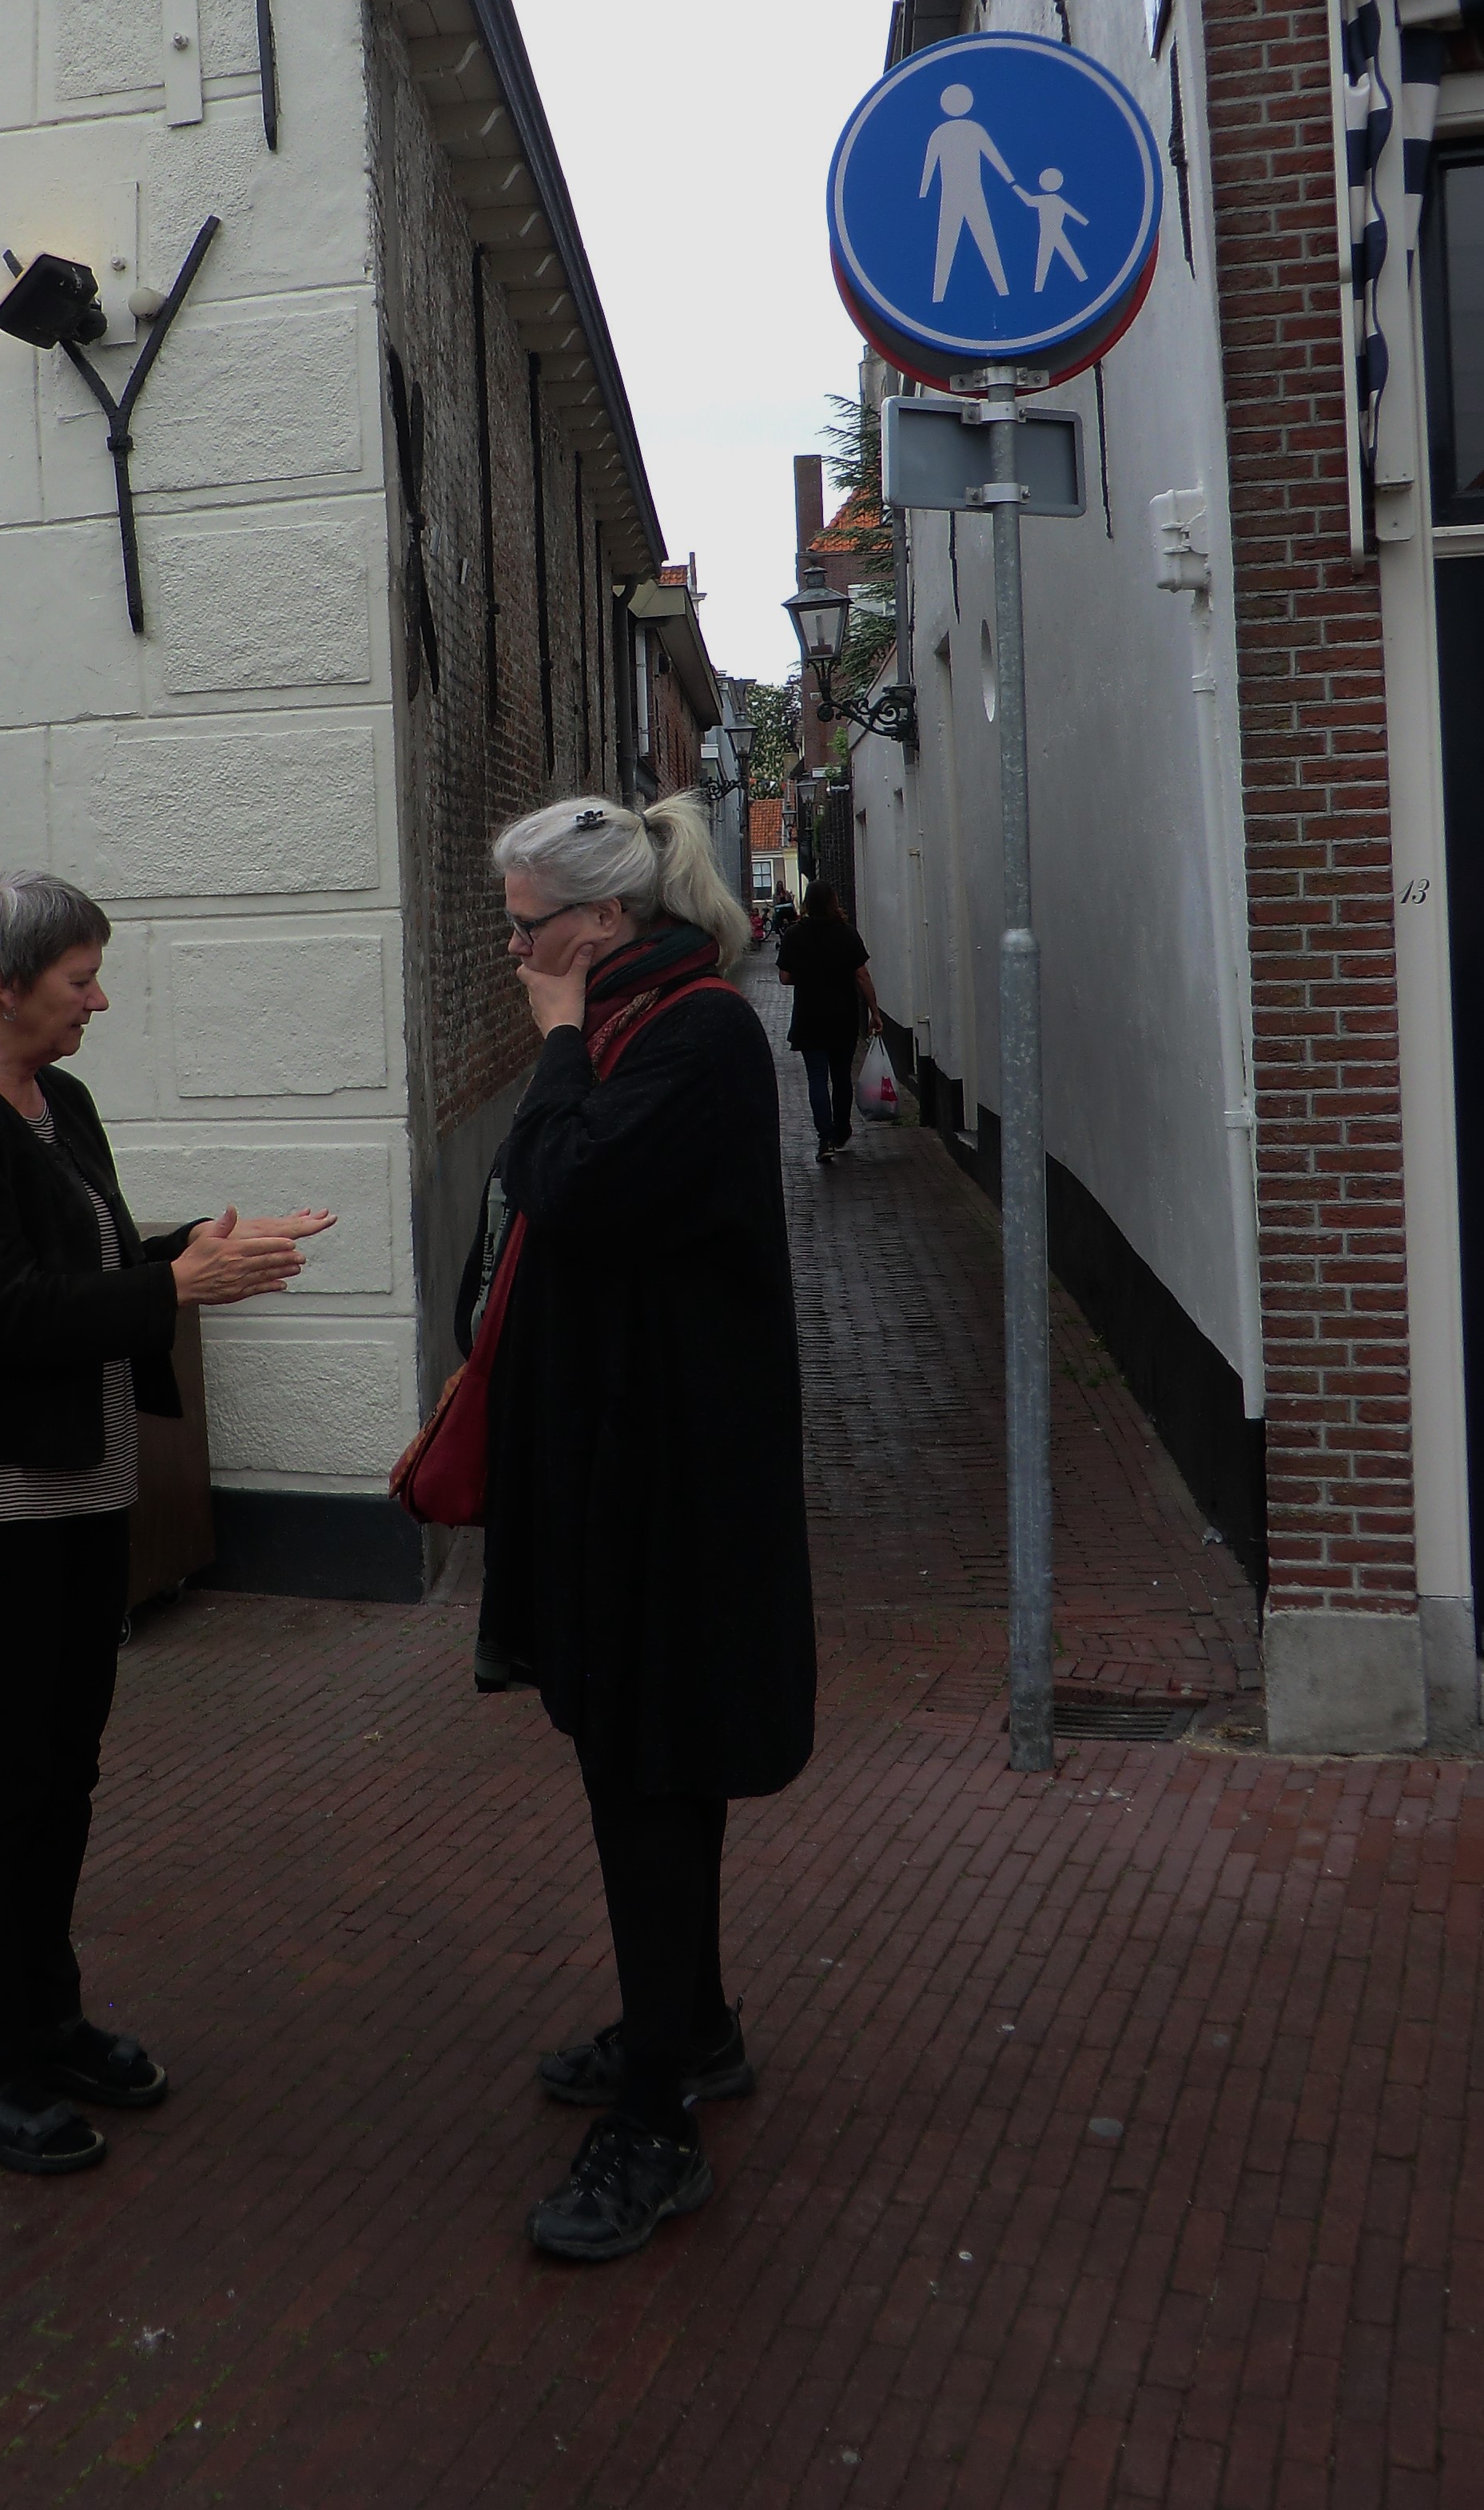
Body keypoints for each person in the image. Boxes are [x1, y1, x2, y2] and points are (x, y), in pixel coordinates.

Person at [0, 871, 333, 2180]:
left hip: (81, 1483)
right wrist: (175, 1285)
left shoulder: (55, 1101)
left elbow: (91, 1266)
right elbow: (4, 1311)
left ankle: (45, 2019)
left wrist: (198, 1255)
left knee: (61, 1765)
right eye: (81, 979)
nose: (100, 1001)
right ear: (5, 983)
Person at [465, 791, 817, 2263]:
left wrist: (554, 1041)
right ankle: (693, 2023)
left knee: (652, 1775)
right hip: (622, 1469)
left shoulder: (695, 1037)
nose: (515, 953)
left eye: (527, 929)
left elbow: (562, 1180)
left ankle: (658, 2127)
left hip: (673, 1490)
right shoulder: (645, 1024)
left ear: (603, 920)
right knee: (639, 1767)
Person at [775, 881, 879, 1164]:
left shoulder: (795, 934)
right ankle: (842, 1129)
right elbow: (862, 975)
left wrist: (809, 976)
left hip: (809, 1018)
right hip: (843, 1017)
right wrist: (875, 1012)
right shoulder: (846, 933)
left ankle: (825, 1138)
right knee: (842, 1076)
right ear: (833, 901)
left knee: (817, 1078)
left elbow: (785, 977)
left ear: (807, 903)